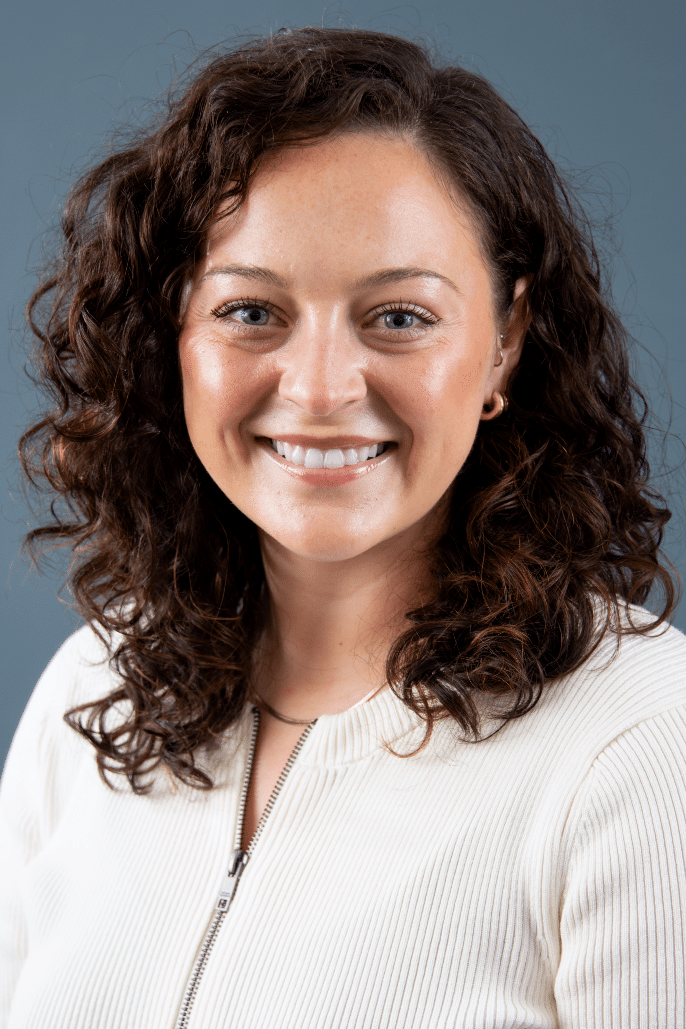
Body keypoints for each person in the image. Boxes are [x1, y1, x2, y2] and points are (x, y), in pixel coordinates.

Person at [1, 25, 685, 1029]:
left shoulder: (640, 742)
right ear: (173, 336)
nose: (319, 390)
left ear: (503, 345)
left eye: (398, 317)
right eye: (250, 312)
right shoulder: (91, 689)